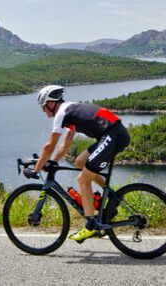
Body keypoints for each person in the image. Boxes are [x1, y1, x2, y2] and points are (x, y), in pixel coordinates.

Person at [24, 84, 130, 243]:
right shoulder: (70, 111)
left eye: (43, 107)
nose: (44, 111)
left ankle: (90, 226)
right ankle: (109, 197)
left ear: (51, 103)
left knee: (82, 179)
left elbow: (49, 146)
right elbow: (65, 145)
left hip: (112, 134)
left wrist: (36, 169)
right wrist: (53, 162)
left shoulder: (62, 113)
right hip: (113, 133)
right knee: (80, 162)